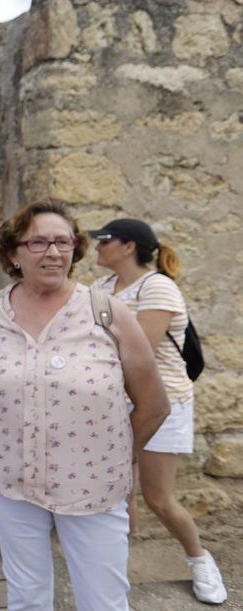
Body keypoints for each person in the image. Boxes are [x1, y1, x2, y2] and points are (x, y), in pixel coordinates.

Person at [0, 199, 169, 611]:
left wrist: (114, 458)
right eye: (38, 242)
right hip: (11, 481)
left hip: (92, 485)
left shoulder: (107, 313)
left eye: (63, 242)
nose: (54, 252)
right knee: (26, 596)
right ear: (12, 252)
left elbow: (154, 405)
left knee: (103, 601)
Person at [92, 218, 228, 605]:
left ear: (129, 246)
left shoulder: (159, 289)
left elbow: (137, 352)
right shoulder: (100, 288)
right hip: (115, 403)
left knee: (158, 497)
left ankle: (200, 561)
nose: (97, 247)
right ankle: (115, 570)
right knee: (120, 495)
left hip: (159, 405)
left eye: (105, 240)